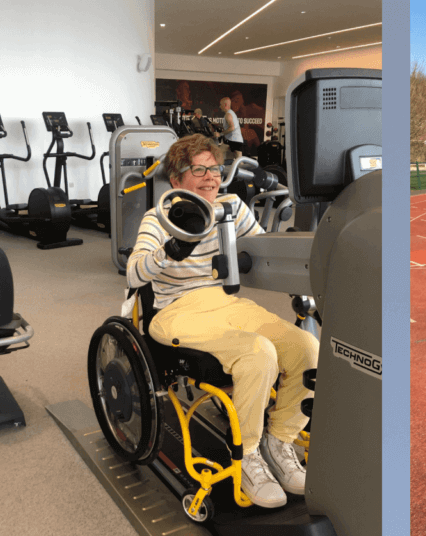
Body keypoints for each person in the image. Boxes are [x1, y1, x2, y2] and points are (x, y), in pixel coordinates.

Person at [127, 134, 318, 509]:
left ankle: (278, 441)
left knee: (306, 347)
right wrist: (170, 251)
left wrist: (301, 285)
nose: (210, 177)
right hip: (175, 312)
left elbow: (267, 253)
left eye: (213, 169)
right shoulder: (159, 217)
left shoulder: (231, 208)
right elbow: (134, 274)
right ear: (178, 178)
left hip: (225, 303)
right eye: (198, 169)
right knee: (257, 353)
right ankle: (246, 455)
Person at [216, 97, 244, 162]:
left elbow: (232, 128)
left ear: (225, 105)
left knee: (218, 153)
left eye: (221, 104)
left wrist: (220, 134)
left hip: (233, 141)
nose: (220, 106)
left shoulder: (228, 114)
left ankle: (217, 169)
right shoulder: (231, 113)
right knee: (234, 161)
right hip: (236, 141)